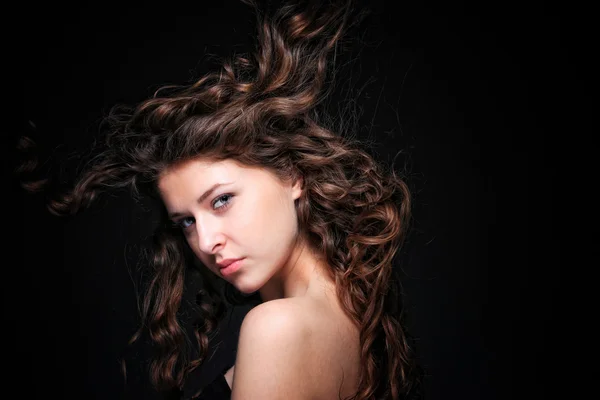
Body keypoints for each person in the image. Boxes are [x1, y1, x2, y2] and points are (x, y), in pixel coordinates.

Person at [17, 0, 422, 399]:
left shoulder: (277, 328)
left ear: (292, 176)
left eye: (222, 200)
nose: (206, 242)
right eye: (187, 222)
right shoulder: (357, 313)